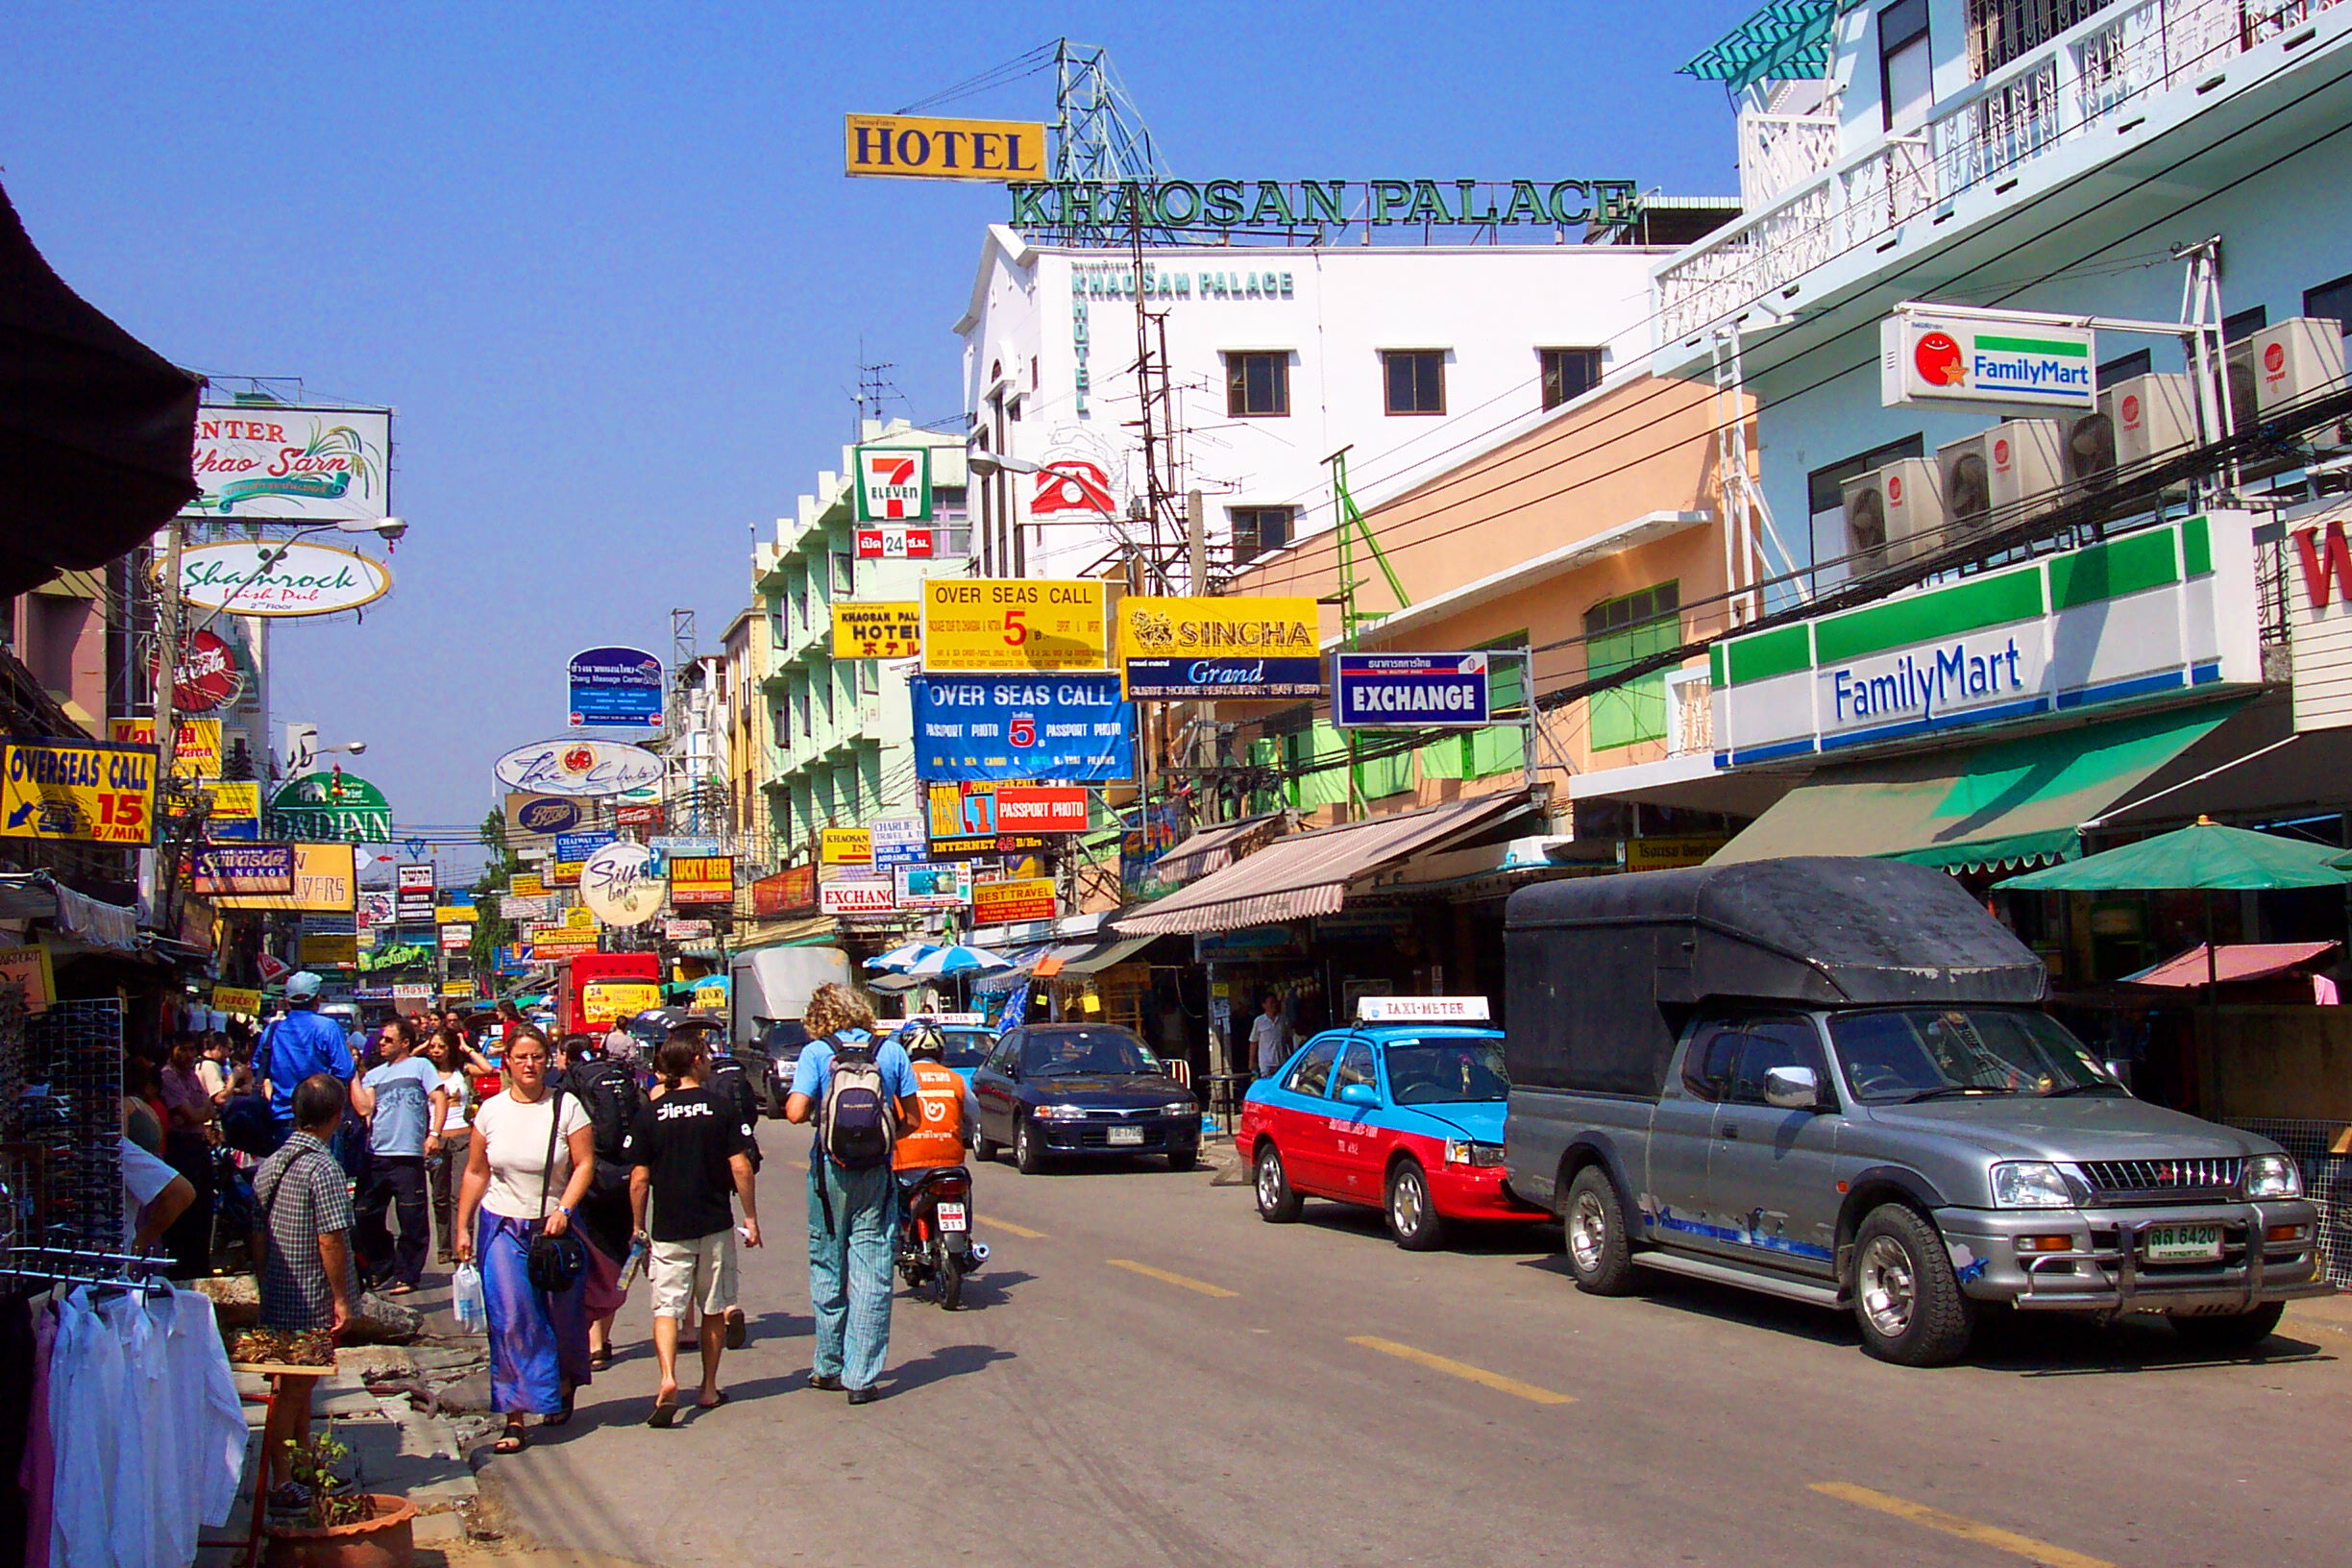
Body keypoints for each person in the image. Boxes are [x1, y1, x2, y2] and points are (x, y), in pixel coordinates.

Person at [454, 1026, 595, 1454]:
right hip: (502, 1227)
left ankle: (560, 1383)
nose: (529, 1065)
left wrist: (564, 1210)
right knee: (511, 1317)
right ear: (508, 1063)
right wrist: (461, 1226)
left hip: (553, 1229)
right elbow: (476, 1172)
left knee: (558, 1317)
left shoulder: (567, 1107)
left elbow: (584, 1164)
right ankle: (514, 1415)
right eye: (521, 1057)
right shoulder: (491, 1112)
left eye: (537, 1056)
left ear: (548, 1060)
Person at [784, 983, 919, 1406]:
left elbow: (793, 1113)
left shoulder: (816, 1053)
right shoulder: (891, 1052)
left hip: (829, 1174)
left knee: (827, 1261)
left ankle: (828, 1364)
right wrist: (879, 1137)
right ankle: (860, 1376)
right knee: (873, 1268)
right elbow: (912, 1118)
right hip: (875, 1172)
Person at [627, 1035, 760, 1427]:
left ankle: (668, 1378)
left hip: (669, 1226)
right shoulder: (720, 1109)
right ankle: (707, 1387)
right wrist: (750, 1218)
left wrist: (637, 1225)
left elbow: (638, 1178)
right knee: (713, 1308)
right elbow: (741, 1167)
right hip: (715, 1222)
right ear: (697, 1061)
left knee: (666, 1308)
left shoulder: (651, 1113)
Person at [250, 1075, 358, 1488]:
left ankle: (299, 1466)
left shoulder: (272, 1164)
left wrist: (265, 1280)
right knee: (292, 1393)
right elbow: (330, 1238)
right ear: (336, 1116)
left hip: (278, 1294)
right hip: (310, 1298)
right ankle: (280, 1482)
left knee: (297, 1388)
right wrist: (341, 1299)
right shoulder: (322, 1167)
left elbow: (256, 1234)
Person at [563, 1030, 645, 1371]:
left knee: (589, 1260)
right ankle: (603, 1340)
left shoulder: (569, 1084)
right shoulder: (619, 1079)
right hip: (624, 1179)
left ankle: (591, 1341)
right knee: (615, 1258)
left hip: (590, 1183)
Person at [351, 1016, 448, 1294]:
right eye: (381, 1039)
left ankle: (408, 1274)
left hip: (408, 1155)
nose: (381, 1043)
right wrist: (352, 1076)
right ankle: (383, 1266)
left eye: (388, 1039)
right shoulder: (374, 1074)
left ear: (405, 1043)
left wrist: (435, 1134)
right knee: (365, 1213)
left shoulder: (420, 1066)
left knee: (412, 1218)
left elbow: (439, 1098)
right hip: (376, 1155)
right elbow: (365, 1108)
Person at [697, 1024, 763, 1348]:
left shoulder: (698, 1082)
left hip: (697, 1172)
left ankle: (693, 1322)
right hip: (729, 1169)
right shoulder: (733, 1073)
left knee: (693, 1251)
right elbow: (750, 1118)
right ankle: (729, 1305)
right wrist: (750, 1217)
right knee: (720, 1244)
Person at [254, 973, 356, 1146]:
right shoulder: (327, 1027)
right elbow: (345, 1070)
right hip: (321, 1121)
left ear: (288, 1001)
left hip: (283, 1122)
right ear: (316, 1000)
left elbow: (258, 1068)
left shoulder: (272, 1030)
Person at [157, 1032, 219, 1278]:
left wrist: (196, 1113)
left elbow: (207, 1110)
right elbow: (194, 1114)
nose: (188, 1055)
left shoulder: (192, 1075)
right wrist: (195, 1113)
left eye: (192, 1050)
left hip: (196, 1142)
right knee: (186, 1208)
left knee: (202, 1206)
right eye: (183, 1050)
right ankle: (180, 1266)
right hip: (179, 1146)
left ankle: (197, 1264)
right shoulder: (168, 1077)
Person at [426, 1029, 477, 1263]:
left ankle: (461, 1244)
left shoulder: (462, 1071)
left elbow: (487, 1069)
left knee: (460, 1194)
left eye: (441, 1046)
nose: (436, 1051)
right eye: (432, 1047)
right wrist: (423, 1044)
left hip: (462, 1139)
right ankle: (443, 1246)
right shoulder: (425, 1073)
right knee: (440, 1195)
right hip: (436, 1140)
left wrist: (467, 1049)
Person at [1251, 995, 1291, 1079]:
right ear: (1264, 1005)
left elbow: (1288, 1039)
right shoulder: (1259, 1021)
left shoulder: (1283, 1020)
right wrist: (1251, 1061)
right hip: (1266, 1063)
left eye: (1275, 1002)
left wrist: (1292, 1055)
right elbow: (1254, 1042)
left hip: (1282, 1061)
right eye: (1271, 1003)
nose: (1274, 1005)